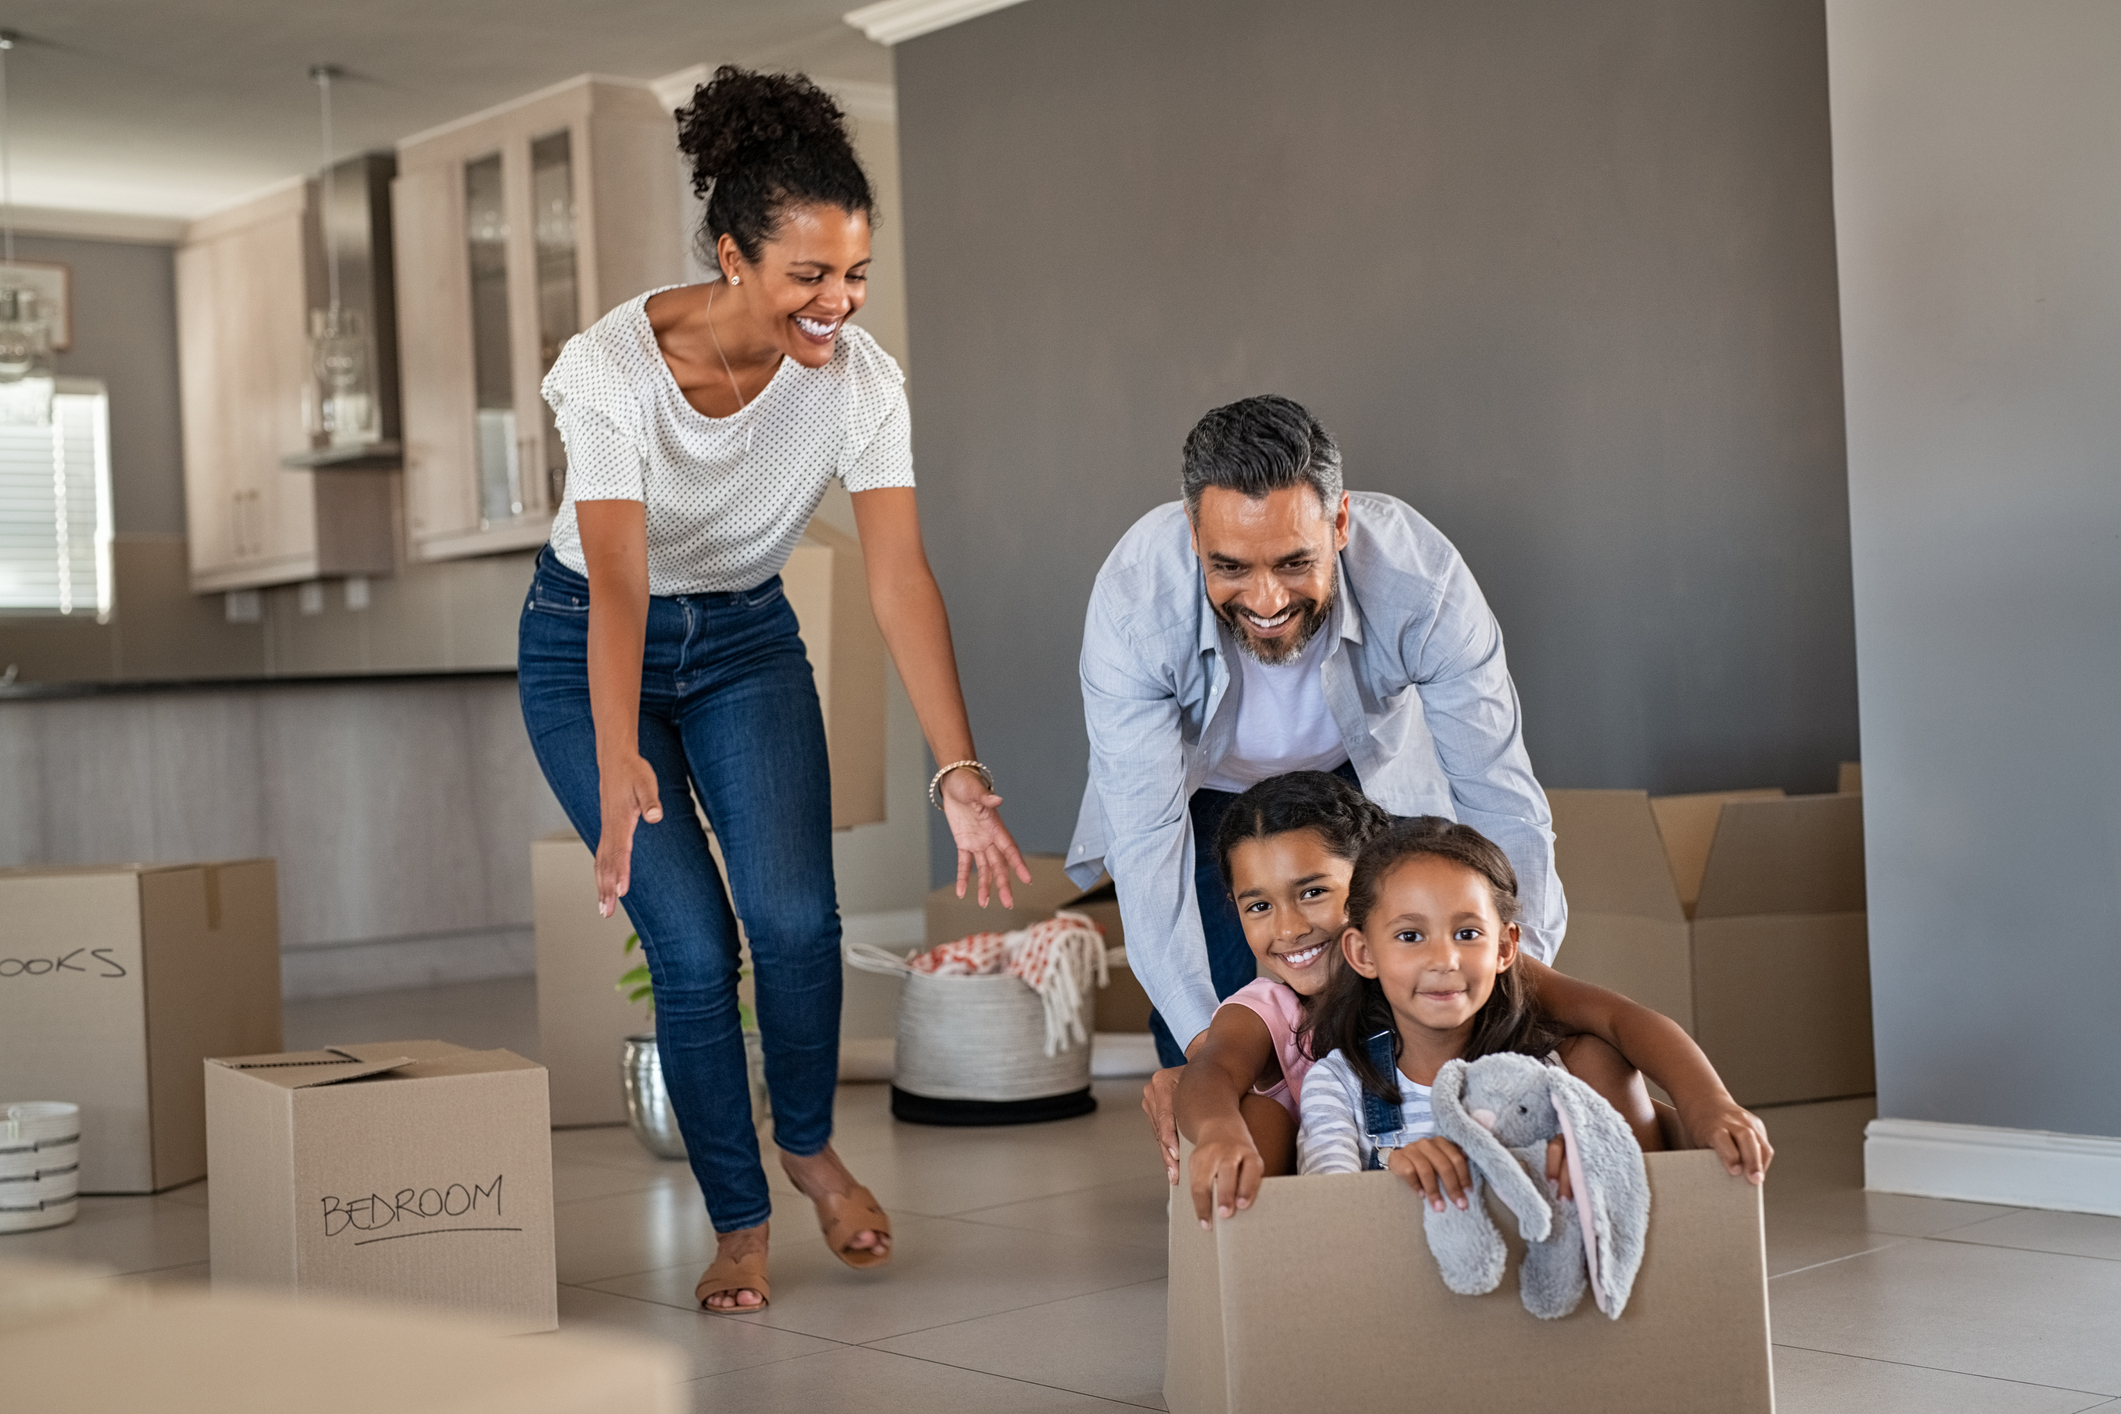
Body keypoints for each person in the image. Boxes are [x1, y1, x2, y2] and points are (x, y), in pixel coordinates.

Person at [517, 67, 1028, 1314]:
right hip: (593, 640)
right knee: (692, 952)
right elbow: (623, 586)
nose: (838, 303)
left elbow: (901, 579)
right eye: (809, 274)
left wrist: (958, 772)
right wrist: (615, 750)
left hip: (748, 642)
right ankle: (738, 1222)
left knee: (797, 923)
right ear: (733, 254)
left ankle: (808, 1145)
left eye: (854, 273)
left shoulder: (860, 383)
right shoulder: (610, 371)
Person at [1073, 394, 1565, 1136]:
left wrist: (1519, 983)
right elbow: (1144, 845)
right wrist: (1206, 1058)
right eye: (1230, 566)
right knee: (1230, 1019)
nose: (1265, 599)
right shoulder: (1134, 600)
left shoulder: (1419, 580)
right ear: (1192, 530)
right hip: (1205, 793)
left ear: (1339, 525)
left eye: (1295, 562)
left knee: (1392, 972)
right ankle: (1239, 1194)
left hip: (1364, 779)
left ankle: (1383, 1146)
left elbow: (1500, 795)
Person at [1176, 776, 1773, 1223]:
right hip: (1362, 1197)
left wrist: (1708, 1106)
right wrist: (1217, 1133)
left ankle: (1633, 1221)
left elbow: (1619, 1017)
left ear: (1375, 883)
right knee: (1254, 1116)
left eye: (1312, 893)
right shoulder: (1272, 1009)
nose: (1288, 928)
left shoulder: (1465, 966)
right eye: (1259, 906)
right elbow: (1213, 1068)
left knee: (1595, 1053)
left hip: (1514, 1168)